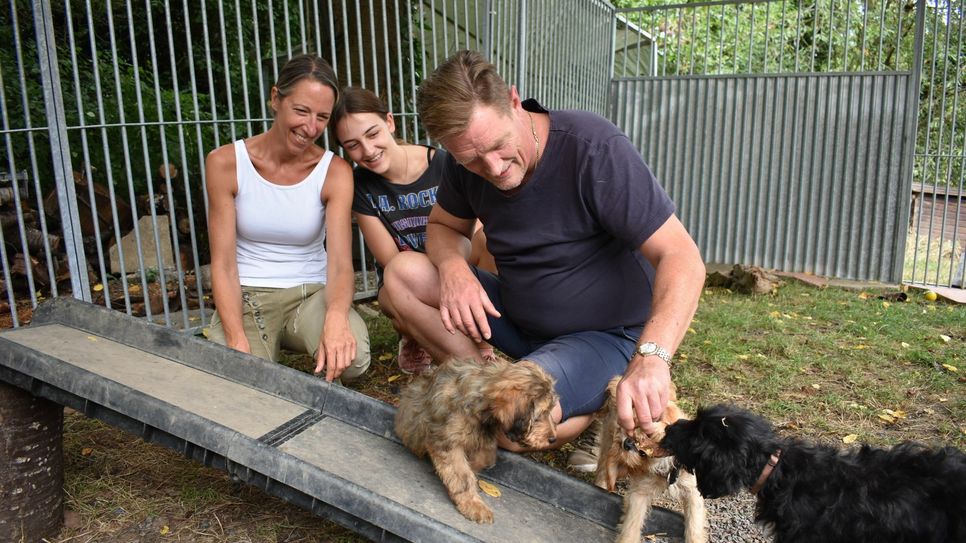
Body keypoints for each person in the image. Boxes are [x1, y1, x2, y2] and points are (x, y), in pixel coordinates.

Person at [380, 50, 705, 471]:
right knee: (402, 274)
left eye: (498, 146)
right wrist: (454, 268)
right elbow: (443, 228)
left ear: (514, 101)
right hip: (519, 317)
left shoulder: (593, 147)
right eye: (472, 160)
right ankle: (487, 382)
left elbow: (682, 256)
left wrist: (653, 357)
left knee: (508, 431)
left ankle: (596, 406)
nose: (493, 168)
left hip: (604, 335)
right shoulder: (465, 162)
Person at [205, 54, 370, 384]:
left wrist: (336, 317)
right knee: (233, 380)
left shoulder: (334, 171)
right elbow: (222, 264)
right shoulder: (225, 163)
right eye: (301, 111)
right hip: (249, 293)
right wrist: (236, 338)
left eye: (322, 117)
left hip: (310, 293)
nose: (311, 128)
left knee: (353, 361)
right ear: (275, 98)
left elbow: (339, 264)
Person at [329, 86, 495, 374]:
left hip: (459, 266)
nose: (367, 150)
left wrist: (453, 269)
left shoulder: (444, 163)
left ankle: (470, 331)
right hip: (409, 279)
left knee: (493, 240)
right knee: (396, 284)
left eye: (372, 134)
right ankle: (423, 334)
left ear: (390, 122)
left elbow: (475, 233)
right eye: (353, 145)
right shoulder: (362, 188)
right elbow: (390, 259)